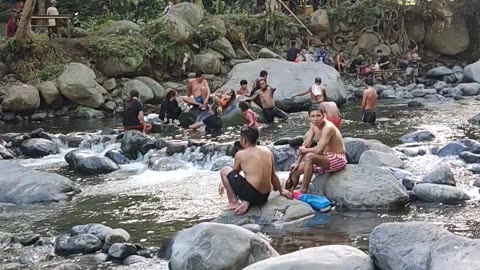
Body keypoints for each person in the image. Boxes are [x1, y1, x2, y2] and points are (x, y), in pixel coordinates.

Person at [219, 126, 292, 214]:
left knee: (225, 170)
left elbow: (233, 174)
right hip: (265, 196)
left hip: (253, 195)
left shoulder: (240, 154)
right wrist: (281, 190)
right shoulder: (267, 151)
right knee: (252, 177)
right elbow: (272, 175)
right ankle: (247, 201)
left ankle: (234, 203)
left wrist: (223, 182)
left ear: (243, 141)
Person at [285, 106, 347, 193]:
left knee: (310, 157)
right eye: (313, 116)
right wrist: (297, 162)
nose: (315, 119)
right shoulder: (313, 125)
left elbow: (319, 150)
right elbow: (306, 145)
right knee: (295, 170)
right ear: (309, 117)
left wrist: (304, 151)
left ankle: (303, 189)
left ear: (324, 115)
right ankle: (288, 192)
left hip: (337, 159)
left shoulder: (328, 128)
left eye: (318, 116)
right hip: (323, 158)